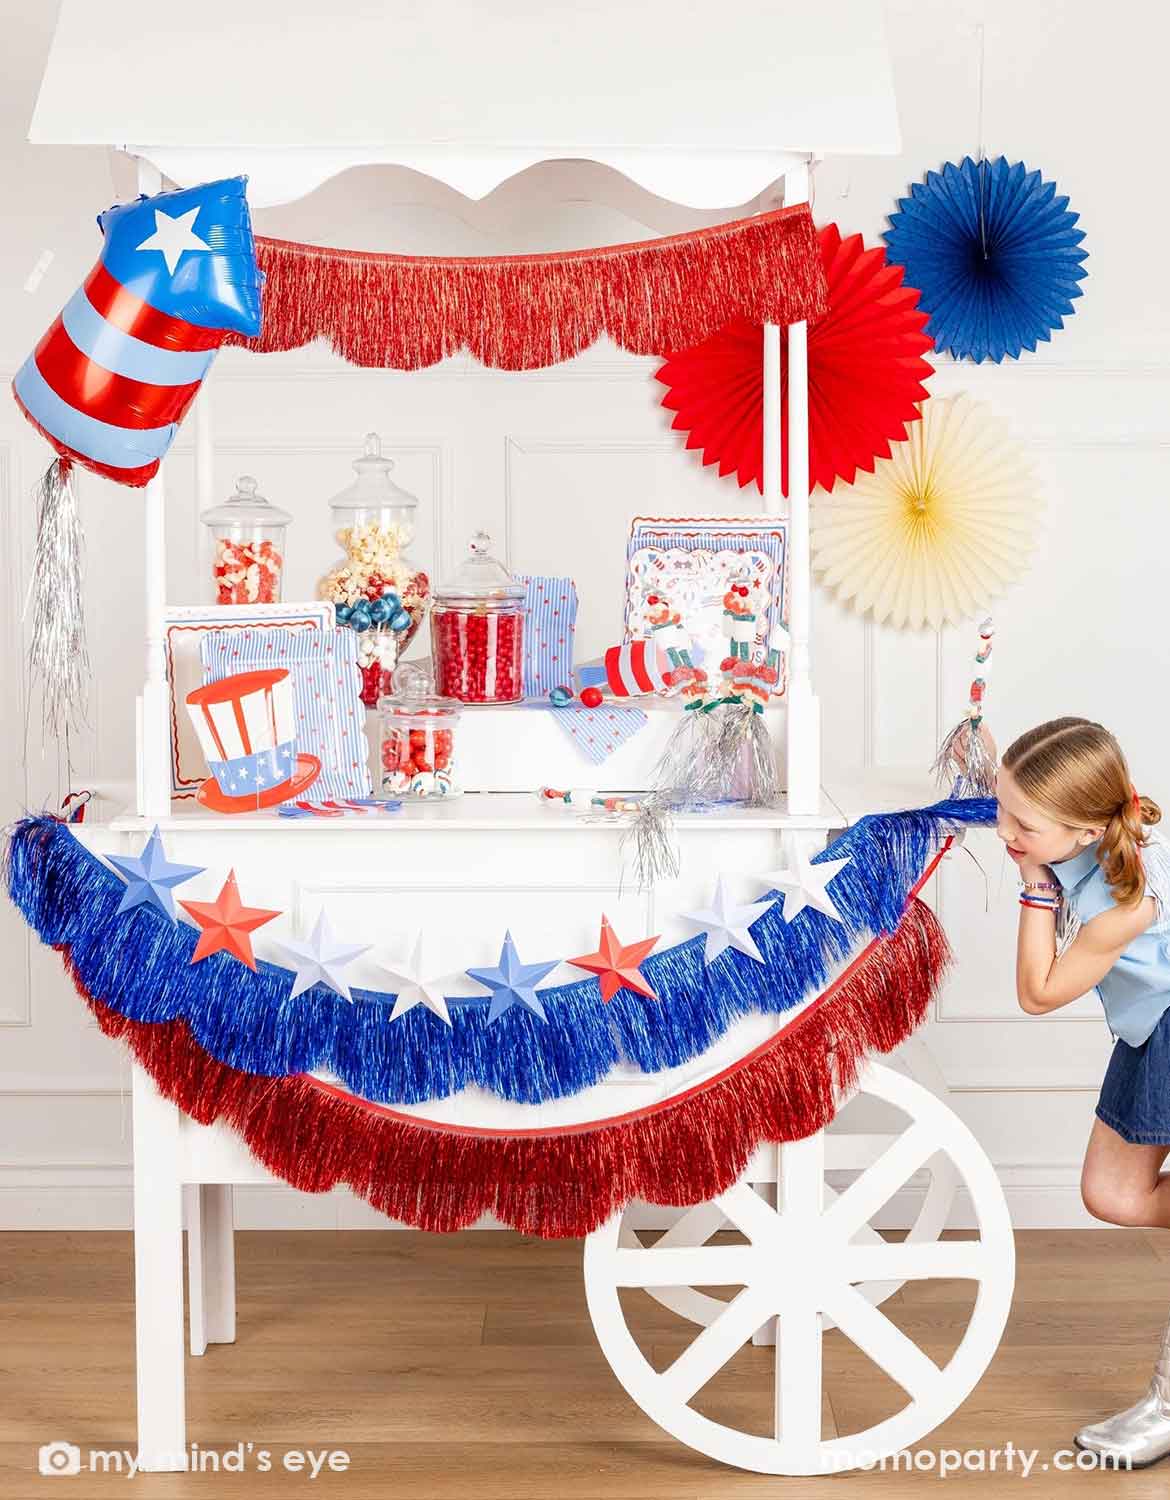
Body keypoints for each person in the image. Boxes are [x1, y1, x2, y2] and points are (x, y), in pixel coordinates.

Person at [991, 716, 1170, 1467]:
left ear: (1087, 826)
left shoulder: (1125, 906)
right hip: (1152, 1029)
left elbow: (1038, 992)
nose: (1004, 831)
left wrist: (1035, 891)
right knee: (1113, 1194)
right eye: (999, 806)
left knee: (1118, 1194)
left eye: (1021, 823)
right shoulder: (1092, 837)